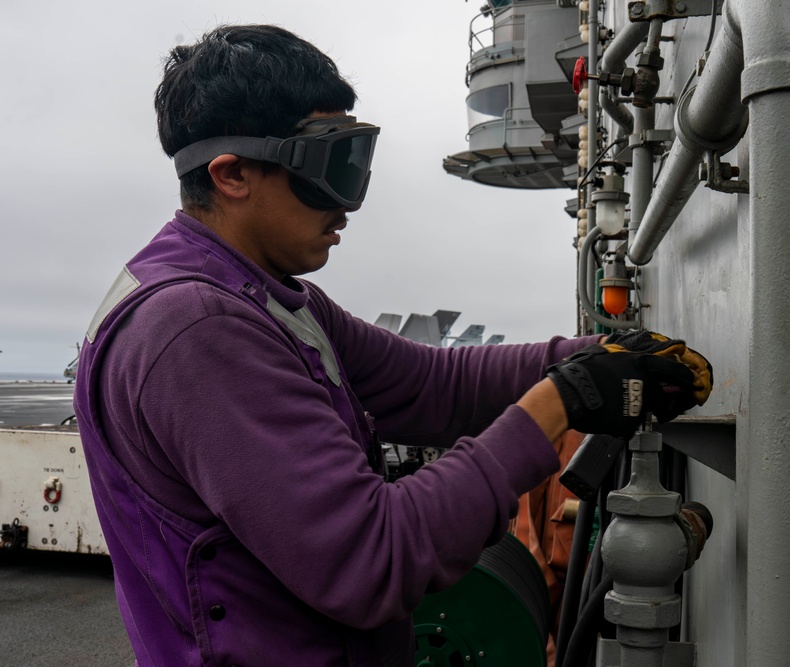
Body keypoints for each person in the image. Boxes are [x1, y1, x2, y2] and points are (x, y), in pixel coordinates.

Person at [73, 24, 712, 667]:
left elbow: (429, 384)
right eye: (327, 169)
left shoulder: (260, 293)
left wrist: (587, 359)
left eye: (355, 161)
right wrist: (559, 403)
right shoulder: (196, 328)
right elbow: (370, 560)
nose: (345, 206)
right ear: (233, 174)